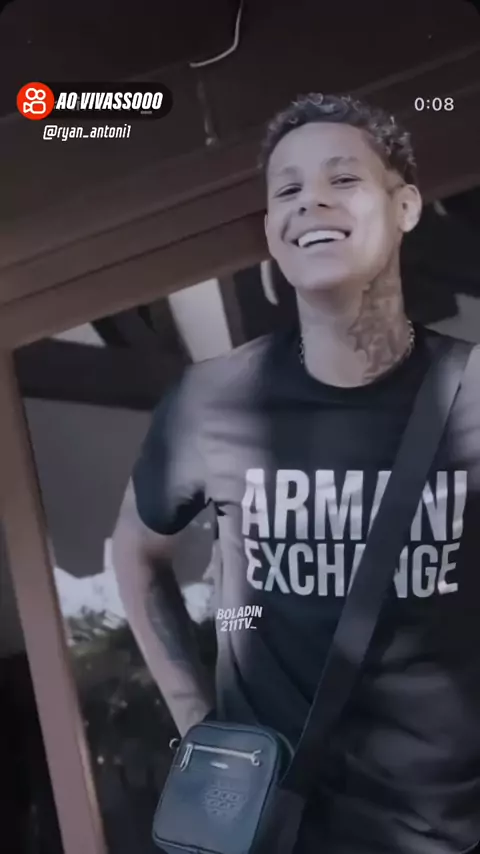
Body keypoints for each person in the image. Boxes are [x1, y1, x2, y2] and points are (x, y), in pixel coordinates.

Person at [111, 94, 480, 854]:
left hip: (445, 834)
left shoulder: (473, 391)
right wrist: (195, 724)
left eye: (343, 179)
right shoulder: (211, 401)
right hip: (274, 831)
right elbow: (134, 551)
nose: (310, 200)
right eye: (287, 189)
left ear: (405, 206)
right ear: (273, 233)